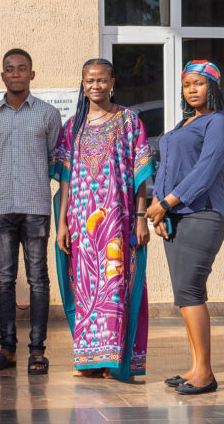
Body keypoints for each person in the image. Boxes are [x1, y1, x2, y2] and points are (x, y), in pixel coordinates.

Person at [53, 59, 153, 381]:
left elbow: (141, 178)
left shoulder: (129, 122)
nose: (95, 86)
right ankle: (91, 360)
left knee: (116, 288)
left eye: (101, 80)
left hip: (117, 224)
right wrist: (63, 224)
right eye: (89, 81)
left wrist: (140, 218)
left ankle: (117, 360)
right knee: (85, 290)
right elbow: (66, 180)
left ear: (112, 81)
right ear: (82, 84)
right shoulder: (73, 127)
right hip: (82, 226)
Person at [144, 61, 224, 395]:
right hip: (177, 214)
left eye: (198, 83)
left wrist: (166, 203)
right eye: (186, 85)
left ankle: (205, 374)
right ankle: (195, 367)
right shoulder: (184, 123)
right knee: (184, 294)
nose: (191, 90)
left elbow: (206, 171)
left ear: (213, 86)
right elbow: (166, 169)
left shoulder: (217, 122)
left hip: (203, 214)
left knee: (191, 291)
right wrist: (162, 212)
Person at [0, 49, 61, 376]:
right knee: (3, 280)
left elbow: (56, 159)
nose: (15, 74)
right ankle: (7, 348)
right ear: (2, 76)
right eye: (10, 70)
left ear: (31, 74)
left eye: (22, 69)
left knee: (38, 280)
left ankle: (38, 350)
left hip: (36, 208)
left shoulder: (47, 114)